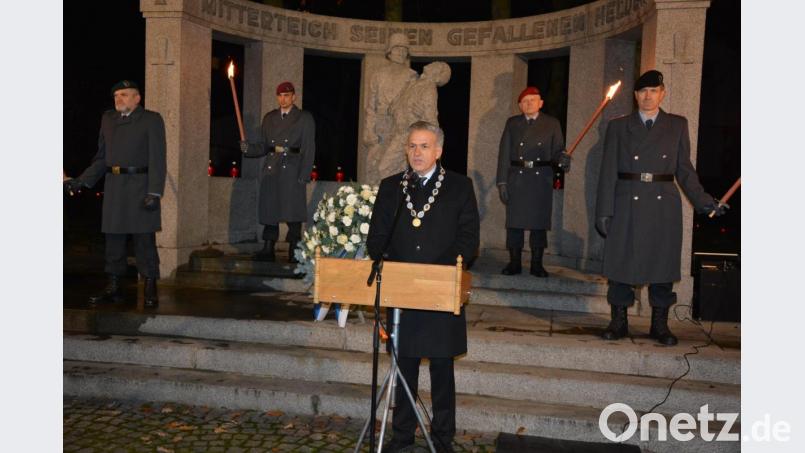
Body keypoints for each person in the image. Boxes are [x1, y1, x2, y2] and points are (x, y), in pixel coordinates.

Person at [367, 121, 480, 453]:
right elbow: (377, 238)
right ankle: (402, 436)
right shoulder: (391, 187)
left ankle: (443, 438)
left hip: (441, 291)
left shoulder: (460, 187)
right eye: (412, 146)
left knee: (442, 369)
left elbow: (468, 239)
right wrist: (396, 265)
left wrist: (438, 274)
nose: (417, 152)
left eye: (425, 146)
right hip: (402, 293)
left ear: (439, 151)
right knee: (405, 367)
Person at [595, 70, 728, 345]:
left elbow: (684, 170)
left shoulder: (677, 125)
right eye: (642, 91)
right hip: (626, 200)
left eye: (653, 91)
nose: (647, 96)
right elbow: (607, 171)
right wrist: (603, 210)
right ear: (635, 95)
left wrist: (706, 203)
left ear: (662, 93)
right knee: (621, 264)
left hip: (662, 203)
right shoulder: (619, 126)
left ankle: (660, 325)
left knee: (661, 264)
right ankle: (618, 321)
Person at [64, 80, 167, 307]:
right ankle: (114, 288)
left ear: (137, 98)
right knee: (114, 241)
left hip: (141, 186)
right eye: (116, 96)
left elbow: (158, 158)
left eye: (124, 95)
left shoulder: (151, 120)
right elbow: (102, 158)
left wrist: (155, 192)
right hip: (114, 187)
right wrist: (81, 181)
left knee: (144, 241)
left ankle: (150, 287)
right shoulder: (108, 120)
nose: (119, 99)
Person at [496, 86, 570, 277]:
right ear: (520, 105)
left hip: (540, 178)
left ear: (541, 103)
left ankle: (537, 264)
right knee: (514, 224)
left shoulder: (552, 123)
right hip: (517, 178)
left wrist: (562, 159)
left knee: (539, 224)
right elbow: (504, 153)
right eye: (525, 101)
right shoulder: (512, 123)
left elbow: (557, 151)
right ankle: (514, 263)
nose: (529, 104)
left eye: (533, 100)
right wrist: (502, 182)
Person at [240, 81, 315, 262]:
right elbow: (264, 146)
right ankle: (268, 248)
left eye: (287, 95)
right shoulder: (269, 118)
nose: (283, 99)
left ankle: (294, 250)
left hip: (292, 167)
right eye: (280, 95)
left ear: (294, 97)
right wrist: (248, 148)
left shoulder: (304, 118)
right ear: (277, 97)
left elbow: (309, 147)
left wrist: (305, 174)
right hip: (272, 168)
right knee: (270, 210)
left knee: (293, 212)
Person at [364, 32, 418, 186]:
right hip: (380, 126)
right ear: (390, 51)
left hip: (401, 128)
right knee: (374, 167)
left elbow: (414, 106)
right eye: (397, 48)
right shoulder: (378, 75)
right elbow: (371, 107)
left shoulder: (412, 76)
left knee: (398, 168)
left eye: (404, 49)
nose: (401, 52)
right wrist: (369, 130)